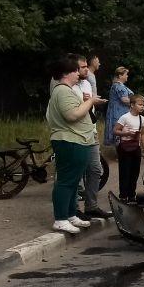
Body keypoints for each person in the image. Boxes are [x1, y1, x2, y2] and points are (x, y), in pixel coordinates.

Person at [45, 56, 97, 234]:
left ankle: (70, 214)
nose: (78, 74)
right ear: (66, 73)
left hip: (77, 140)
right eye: (75, 70)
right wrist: (90, 102)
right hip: (69, 141)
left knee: (74, 181)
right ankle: (60, 218)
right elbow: (72, 115)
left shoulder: (67, 90)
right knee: (66, 181)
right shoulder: (62, 91)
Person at [73, 56, 109, 220]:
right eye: (82, 67)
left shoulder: (87, 83)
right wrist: (87, 102)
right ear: (74, 69)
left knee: (95, 169)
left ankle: (91, 206)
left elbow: (89, 104)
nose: (86, 69)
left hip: (91, 129)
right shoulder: (68, 86)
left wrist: (94, 102)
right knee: (76, 171)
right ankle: (73, 208)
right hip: (76, 132)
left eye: (87, 66)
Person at [113, 94, 144, 202]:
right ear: (132, 105)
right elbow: (115, 130)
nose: (142, 107)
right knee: (125, 172)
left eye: (143, 105)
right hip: (125, 147)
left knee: (135, 172)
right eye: (140, 104)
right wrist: (124, 133)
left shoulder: (142, 118)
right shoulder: (125, 117)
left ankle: (132, 194)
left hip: (135, 147)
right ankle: (123, 195)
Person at [104, 66, 133, 148]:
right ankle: (121, 153)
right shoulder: (118, 86)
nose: (127, 76)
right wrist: (135, 102)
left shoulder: (116, 85)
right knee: (120, 131)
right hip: (119, 112)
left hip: (117, 111)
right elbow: (124, 99)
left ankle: (121, 152)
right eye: (126, 74)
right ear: (120, 76)